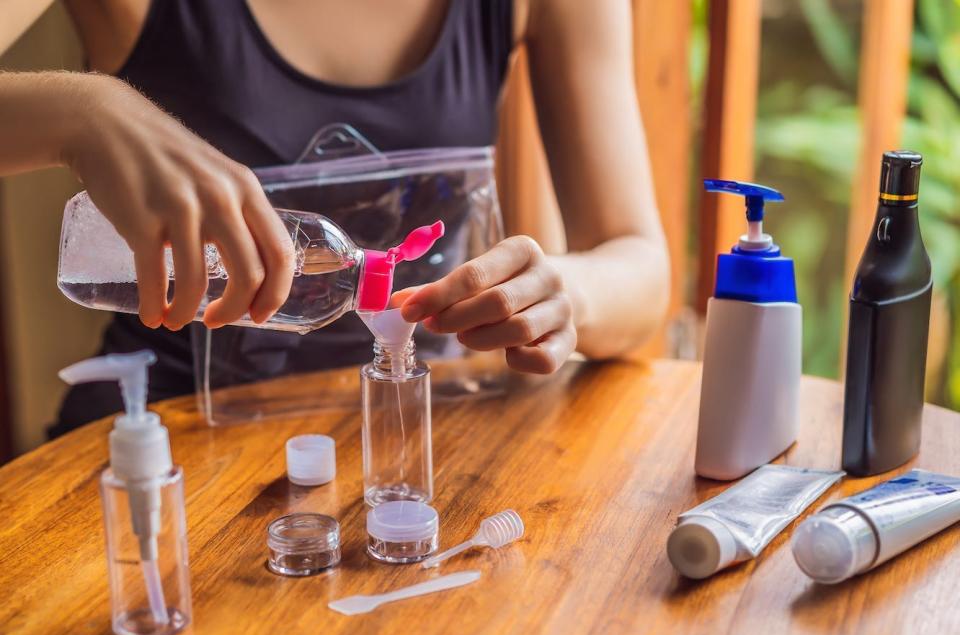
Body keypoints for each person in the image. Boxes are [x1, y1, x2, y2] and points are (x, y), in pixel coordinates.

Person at [0, 0, 669, 434]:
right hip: (170, 448)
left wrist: (562, 294)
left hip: (428, 446)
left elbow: (639, 268)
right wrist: (80, 112)